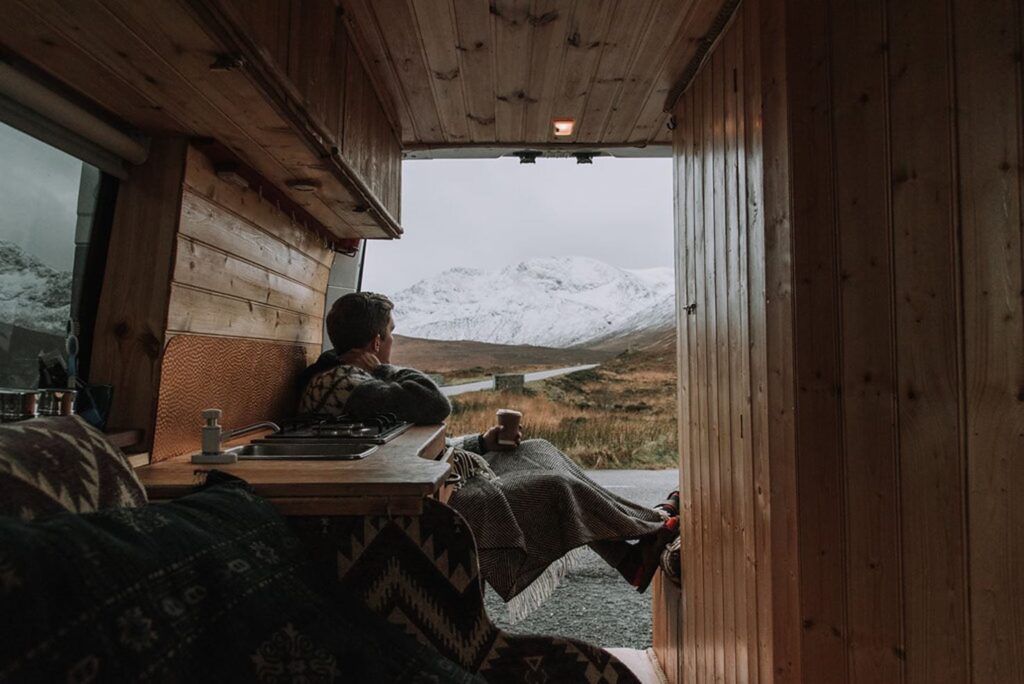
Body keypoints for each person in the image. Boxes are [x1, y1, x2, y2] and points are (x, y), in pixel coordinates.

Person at [299, 292, 680, 619]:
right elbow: (434, 404)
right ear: (376, 341)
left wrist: (482, 442)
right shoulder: (346, 383)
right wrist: (386, 370)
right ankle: (649, 530)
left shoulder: (345, 377)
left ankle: (635, 548)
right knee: (552, 486)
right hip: (432, 500)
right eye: (391, 333)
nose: (393, 341)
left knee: (538, 451)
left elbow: (417, 443)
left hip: (433, 476)